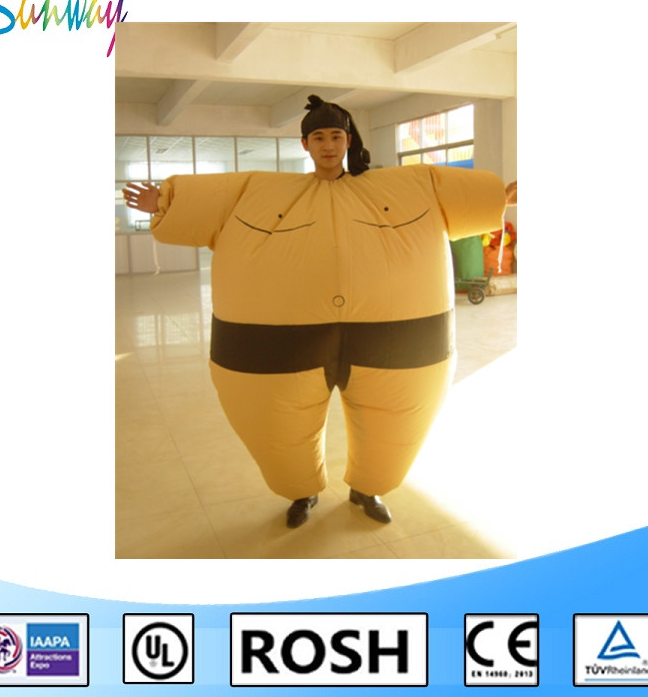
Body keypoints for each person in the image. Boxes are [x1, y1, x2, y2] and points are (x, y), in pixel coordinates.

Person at [123, 94, 514, 529]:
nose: (329, 145)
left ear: (348, 141)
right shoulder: (259, 191)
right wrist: (164, 203)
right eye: (319, 138)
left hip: (397, 340)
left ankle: (369, 488)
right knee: (278, 429)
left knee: (393, 428)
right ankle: (302, 490)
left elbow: (459, 197)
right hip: (278, 344)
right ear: (305, 144)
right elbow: (207, 201)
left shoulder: (401, 187)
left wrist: (498, 197)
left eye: (336, 136)